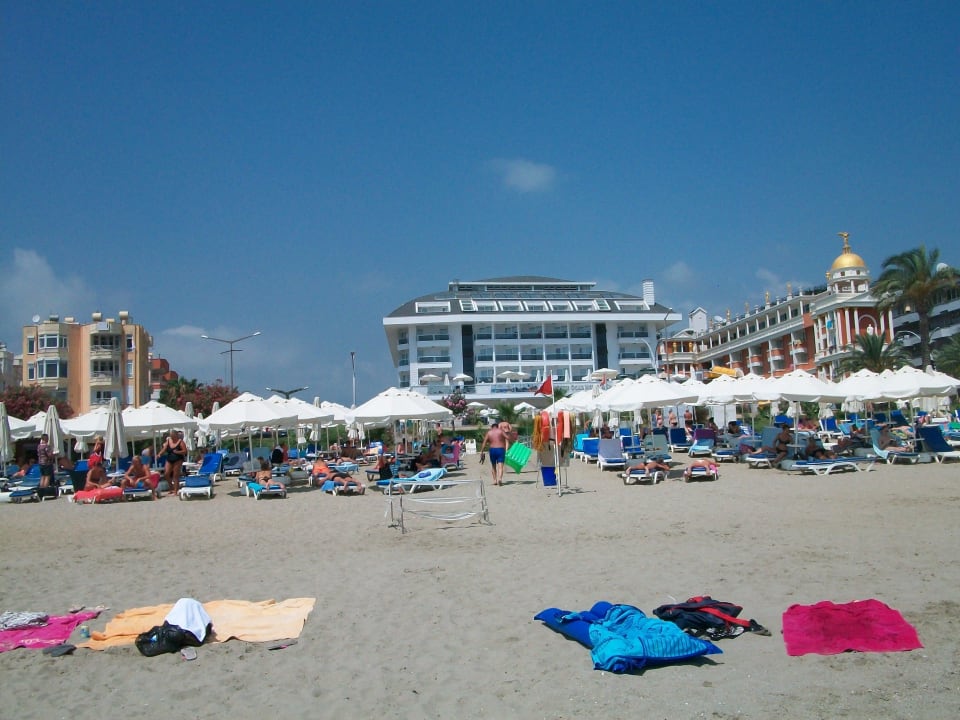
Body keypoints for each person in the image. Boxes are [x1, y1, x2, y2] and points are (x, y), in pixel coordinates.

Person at [479, 421, 509, 486]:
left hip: (492, 450)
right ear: (497, 427)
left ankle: (495, 480)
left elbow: (484, 443)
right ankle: (500, 479)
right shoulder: (500, 431)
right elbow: (508, 438)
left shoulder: (489, 432)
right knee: (500, 466)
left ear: (491, 427)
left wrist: (481, 451)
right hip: (500, 449)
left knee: (493, 466)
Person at [160, 428, 188, 494]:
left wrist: (177, 452)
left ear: (176, 435)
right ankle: (171, 487)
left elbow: (185, 451)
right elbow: (164, 448)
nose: (172, 437)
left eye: (173, 436)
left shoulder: (180, 442)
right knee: (166, 474)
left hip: (178, 459)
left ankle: (175, 491)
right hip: (169, 459)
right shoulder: (169, 440)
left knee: (175, 475)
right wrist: (159, 454)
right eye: (171, 436)